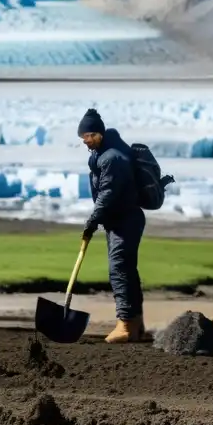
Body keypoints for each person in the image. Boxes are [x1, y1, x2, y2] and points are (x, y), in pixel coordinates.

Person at [78, 107, 146, 344]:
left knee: (119, 270)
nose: (85, 142)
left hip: (125, 219)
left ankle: (126, 324)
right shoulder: (101, 154)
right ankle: (135, 323)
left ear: (98, 134)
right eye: (83, 138)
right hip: (117, 219)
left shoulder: (113, 158)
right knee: (126, 269)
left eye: (88, 137)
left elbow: (108, 192)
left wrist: (92, 220)